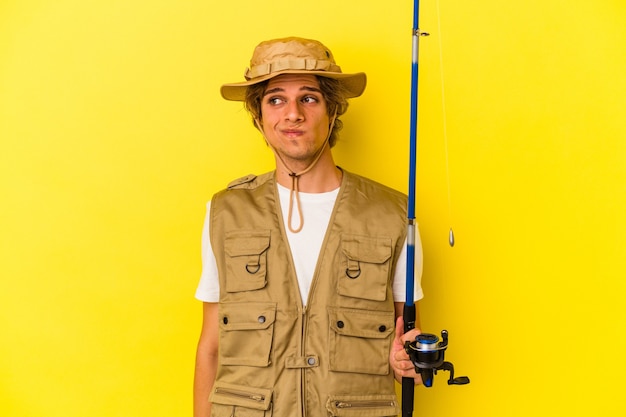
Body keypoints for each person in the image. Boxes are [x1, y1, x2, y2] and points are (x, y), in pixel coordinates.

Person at [193, 36, 424, 417]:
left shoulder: (395, 214)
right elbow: (212, 346)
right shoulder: (225, 212)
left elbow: (402, 342)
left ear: (333, 111)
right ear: (259, 117)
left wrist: (405, 361)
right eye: (276, 99)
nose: (293, 113)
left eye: (310, 98)